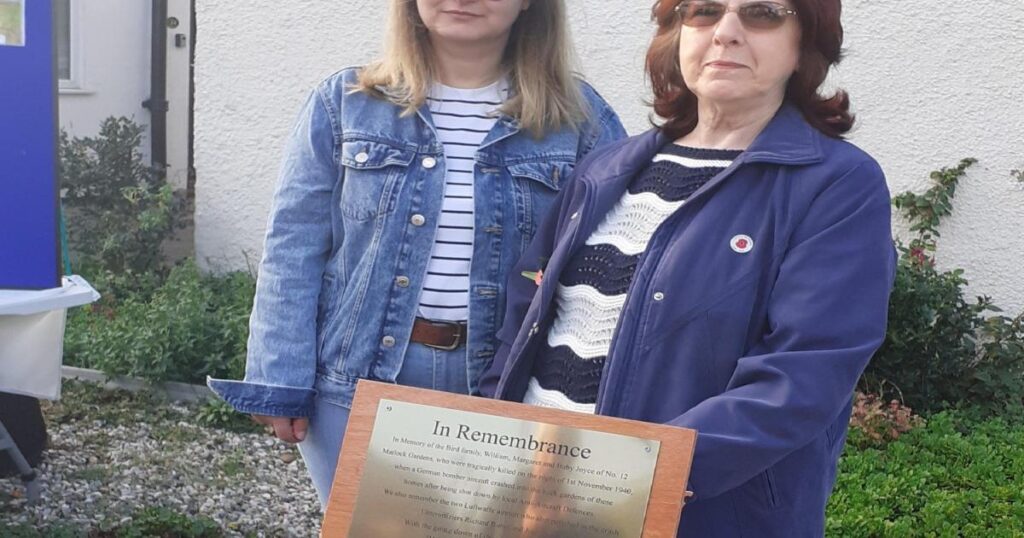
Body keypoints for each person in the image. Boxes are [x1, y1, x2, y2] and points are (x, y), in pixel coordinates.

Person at [480, 0, 896, 535]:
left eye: (763, 12)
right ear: (676, 34)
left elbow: (802, 376)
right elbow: (525, 320)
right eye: (703, 11)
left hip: (699, 513)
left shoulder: (837, 185)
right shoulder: (605, 169)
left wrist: (628, 479)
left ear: (805, 44)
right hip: (537, 497)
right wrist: (488, 439)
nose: (726, 32)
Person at [208, 0, 625, 507]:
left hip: (510, 387)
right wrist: (280, 377)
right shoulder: (344, 103)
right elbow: (293, 248)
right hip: (356, 382)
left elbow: (609, 271)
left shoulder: (580, 119)